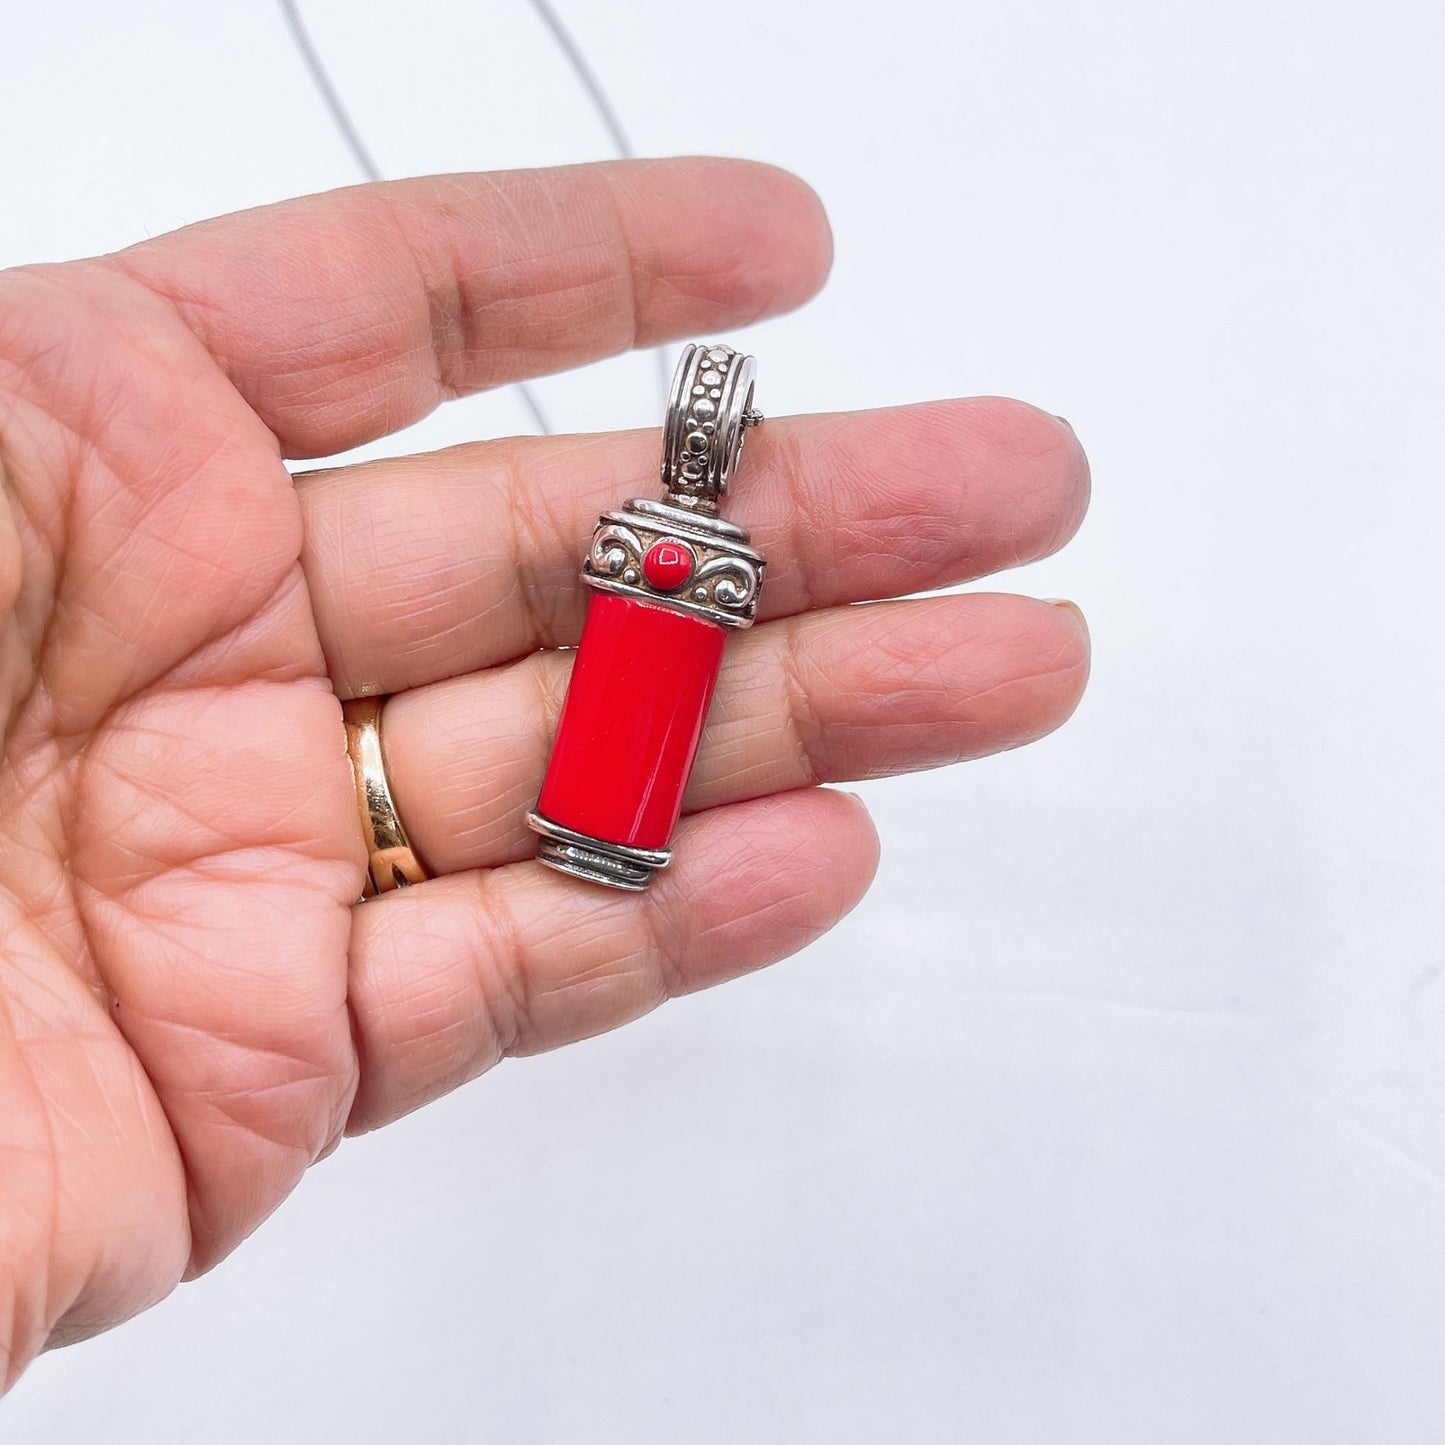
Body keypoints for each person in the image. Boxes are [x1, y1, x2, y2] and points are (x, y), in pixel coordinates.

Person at [0, 156, 1089, 1386]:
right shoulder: (656, 553)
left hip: (609, 805)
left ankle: (606, 823)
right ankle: (601, 823)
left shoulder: (682, 551)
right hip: (592, 810)